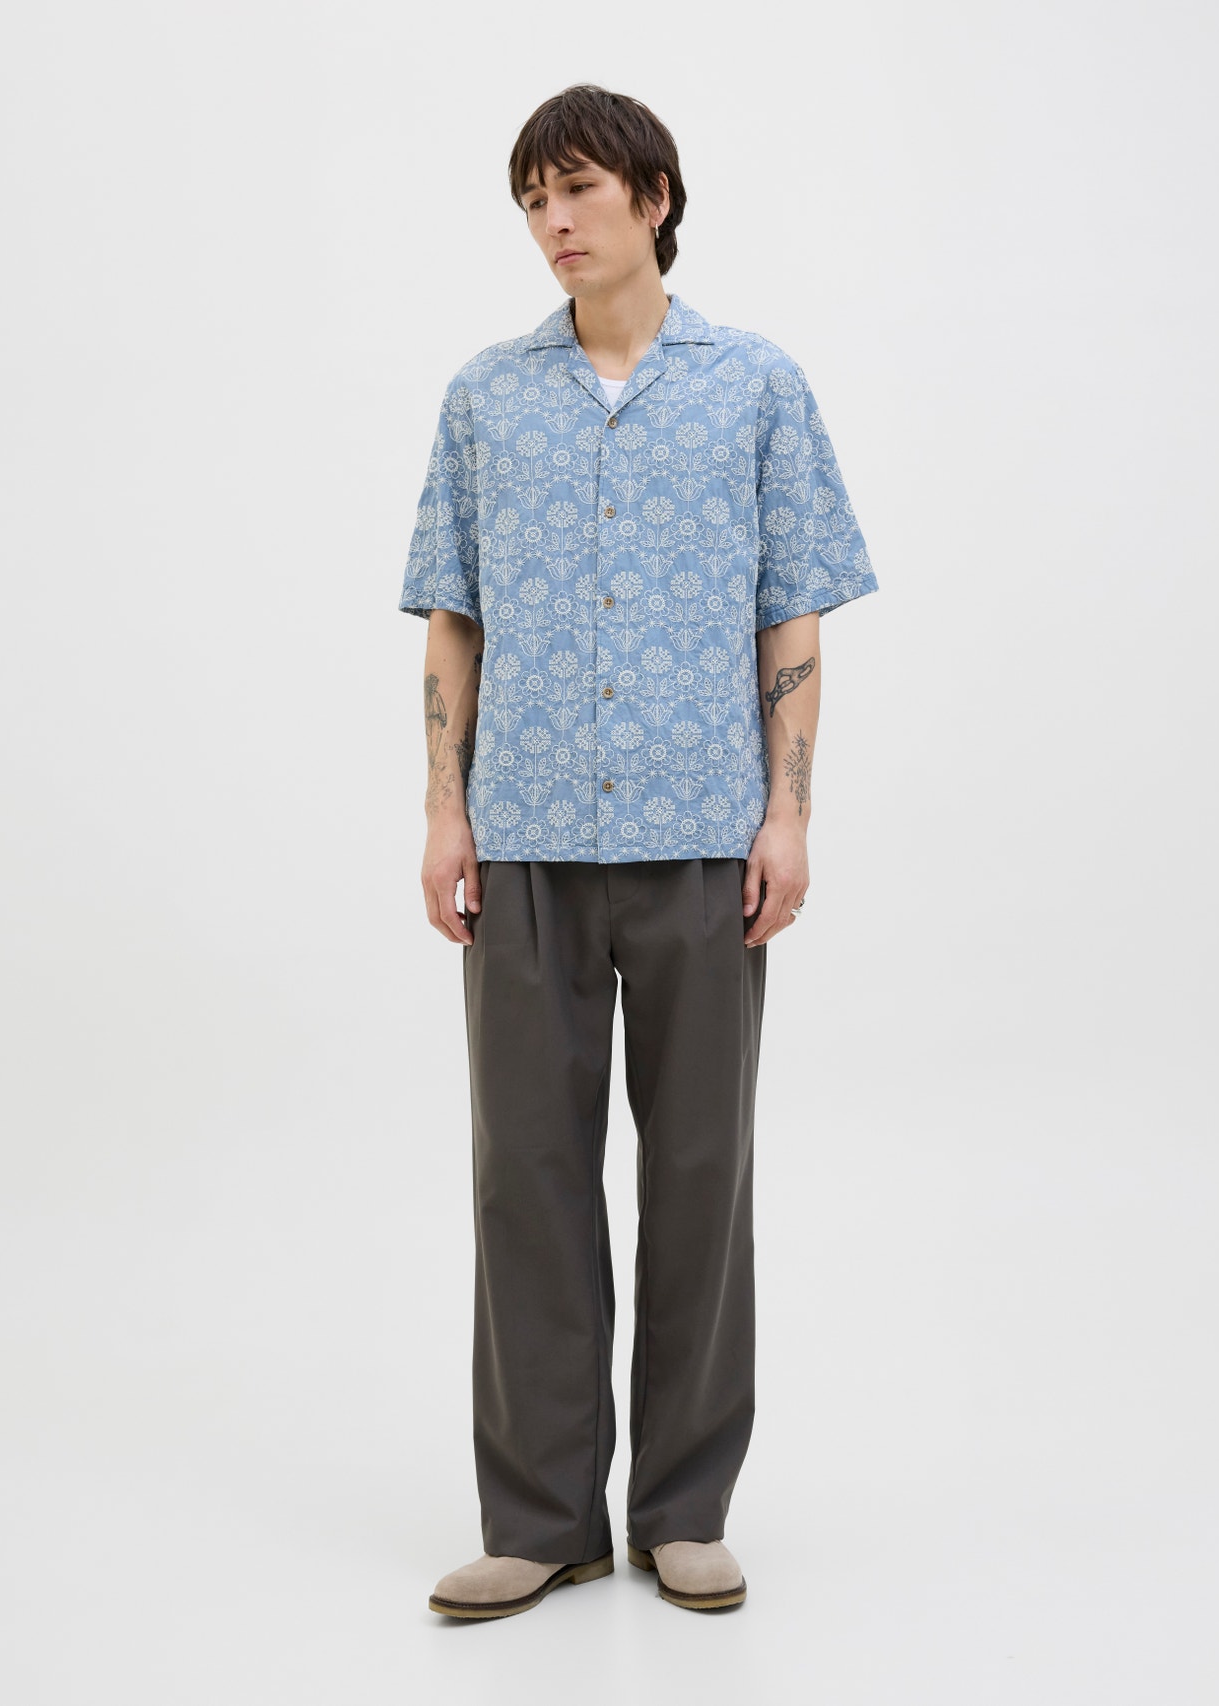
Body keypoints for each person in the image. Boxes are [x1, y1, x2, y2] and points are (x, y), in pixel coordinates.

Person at [398, 83, 879, 1620]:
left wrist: (789, 811)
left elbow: (792, 611)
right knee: (525, 1175)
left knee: (700, 1172)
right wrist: (443, 807)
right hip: (527, 839)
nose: (553, 221)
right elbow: (453, 613)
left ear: (654, 198)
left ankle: (683, 1507)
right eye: (533, 198)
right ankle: (542, 1515)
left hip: (702, 840)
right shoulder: (486, 397)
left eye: (580, 190)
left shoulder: (757, 387)